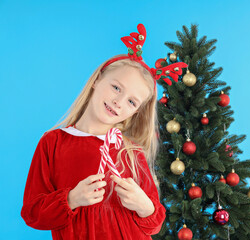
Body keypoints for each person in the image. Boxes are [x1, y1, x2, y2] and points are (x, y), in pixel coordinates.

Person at [20, 24, 187, 239]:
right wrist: (71, 199)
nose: (118, 102)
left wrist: (144, 206)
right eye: (116, 88)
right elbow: (33, 213)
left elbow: (153, 224)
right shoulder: (52, 143)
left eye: (131, 102)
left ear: (136, 111)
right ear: (97, 80)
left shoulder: (130, 151)